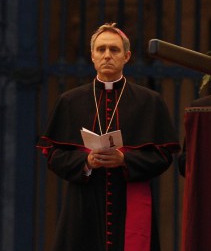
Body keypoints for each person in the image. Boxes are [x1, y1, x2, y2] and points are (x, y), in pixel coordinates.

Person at [38, 23, 180, 251]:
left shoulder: (149, 101)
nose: (107, 56)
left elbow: (163, 156)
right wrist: (86, 162)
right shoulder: (70, 101)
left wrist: (125, 160)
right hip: (83, 204)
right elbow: (53, 156)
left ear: (127, 56)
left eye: (114, 50)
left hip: (129, 200)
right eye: (101, 49)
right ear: (92, 56)